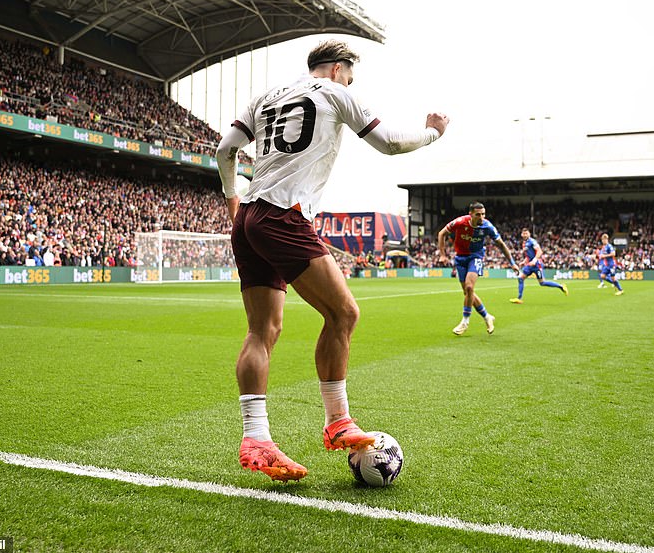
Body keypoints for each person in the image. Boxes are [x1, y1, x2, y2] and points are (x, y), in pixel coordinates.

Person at [215, 39, 448, 481]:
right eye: (351, 75)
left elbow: (225, 150)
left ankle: (257, 438)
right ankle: (338, 421)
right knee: (343, 313)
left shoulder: (266, 96)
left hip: (249, 215)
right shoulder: (335, 93)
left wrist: (233, 199)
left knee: (261, 332)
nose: (349, 81)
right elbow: (390, 143)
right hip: (285, 215)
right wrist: (433, 131)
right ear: (340, 69)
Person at [437, 202, 519, 335]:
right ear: (470, 215)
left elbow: (501, 245)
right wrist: (442, 254)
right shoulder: (460, 222)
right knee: (468, 293)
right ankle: (487, 316)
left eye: (483, 214)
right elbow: (441, 233)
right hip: (460, 258)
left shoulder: (487, 226)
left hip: (476, 257)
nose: (481, 217)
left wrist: (512, 263)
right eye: (478, 215)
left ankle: (465, 322)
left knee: (469, 288)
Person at [510, 228, 568, 303]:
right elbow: (528, 255)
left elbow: (540, 251)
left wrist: (534, 260)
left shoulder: (532, 241)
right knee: (520, 278)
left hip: (537, 265)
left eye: (526, 233)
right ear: (521, 234)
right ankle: (519, 298)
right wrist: (524, 261)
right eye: (523, 233)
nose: (525, 235)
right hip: (529, 265)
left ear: (529, 234)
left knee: (542, 283)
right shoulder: (524, 243)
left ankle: (561, 286)